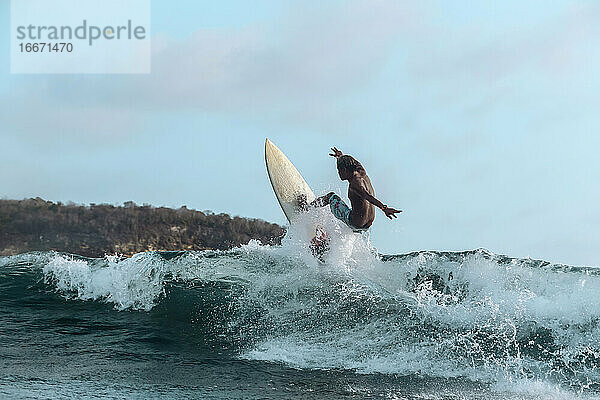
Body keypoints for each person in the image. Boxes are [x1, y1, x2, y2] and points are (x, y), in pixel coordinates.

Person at [310, 147, 402, 231]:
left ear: (345, 170)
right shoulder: (361, 171)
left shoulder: (355, 184)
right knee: (353, 209)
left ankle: (306, 207)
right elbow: (353, 161)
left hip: (354, 223)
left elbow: (367, 196)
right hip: (367, 224)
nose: (339, 174)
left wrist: (383, 208)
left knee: (331, 197)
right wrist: (340, 157)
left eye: (339, 171)